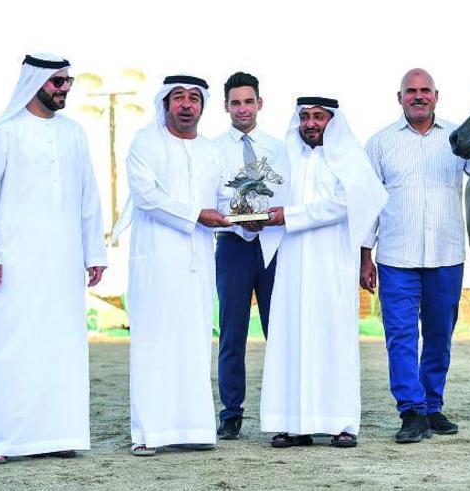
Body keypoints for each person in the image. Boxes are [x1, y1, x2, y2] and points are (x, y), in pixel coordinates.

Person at [360, 69, 470, 444]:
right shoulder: (380, 143)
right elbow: (368, 205)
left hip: (446, 256)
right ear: (398, 97)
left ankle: (432, 406)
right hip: (396, 257)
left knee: (438, 335)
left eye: (425, 91)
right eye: (410, 91)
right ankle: (411, 411)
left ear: (437, 96)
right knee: (400, 336)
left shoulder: (460, 140)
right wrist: (365, 256)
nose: (418, 97)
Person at [0, 53, 108, 464]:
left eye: (68, 82)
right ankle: (1, 441)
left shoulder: (74, 134)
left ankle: (57, 435)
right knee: (9, 348)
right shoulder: (4, 133)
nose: (64, 89)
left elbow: (88, 198)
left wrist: (93, 252)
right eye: (58, 82)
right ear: (36, 81)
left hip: (63, 263)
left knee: (60, 347)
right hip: (12, 263)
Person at [259, 96, 387, 448]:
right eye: (305, 117)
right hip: (292, 264)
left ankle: (341, 423)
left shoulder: (350, 156)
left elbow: (351, 204)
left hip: (334, 262)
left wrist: (292, 216)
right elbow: (262, 198)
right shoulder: (286, 158)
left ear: (333, 121)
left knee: (334, 340)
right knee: (290, 337)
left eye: (319, 117)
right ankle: (293, 423)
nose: (311, 123)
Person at [114, 75, 232, 456]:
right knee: (153, 344)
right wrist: (198, 215)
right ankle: (148, 433)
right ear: (165, 103)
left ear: (202, 106)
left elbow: (225, 200)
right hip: (156, 263)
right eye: (178, 97)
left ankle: (194, 429)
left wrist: (248, 217)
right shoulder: (146, 142)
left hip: (198, 264)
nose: (186, 105)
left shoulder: (212, 151)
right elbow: (146, 197)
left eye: (194, 98)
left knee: (196, 342)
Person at [213, 72, 284, 440]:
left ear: (260, 102)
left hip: (272, 246)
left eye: (248, 101)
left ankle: (281, 412)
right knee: (232, 333)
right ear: (226, 106)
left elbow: (287, 191)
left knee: (279, 330)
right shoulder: (212, 149)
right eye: (235, 102)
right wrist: (240, 220)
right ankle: (231, 413)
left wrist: (267, 218)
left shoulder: (280, 147)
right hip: (233, 245)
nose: (242, 108)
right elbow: (212, 196)